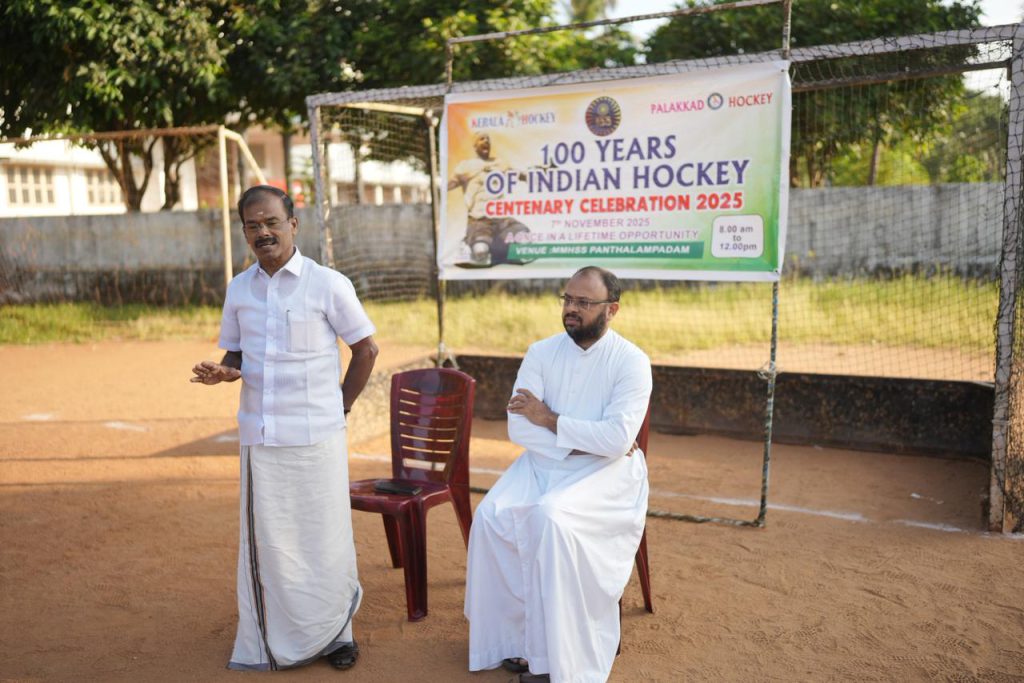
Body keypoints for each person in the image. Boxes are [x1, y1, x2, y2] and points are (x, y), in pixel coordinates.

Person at [191, 185, 378, 672]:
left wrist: (340, 407)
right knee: (271, 544)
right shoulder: (239, 289)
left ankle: (337, 635)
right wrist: (226, 371)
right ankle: (271, 635)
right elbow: (236, 352)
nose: (263, 232)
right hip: (261, 438)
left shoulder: (327, 284)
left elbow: (366, 350)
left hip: (317, 438)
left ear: (293, 224)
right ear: (244, 232)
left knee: (325, 538)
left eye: (272, 222)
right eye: (253, 225)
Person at [464, 266, 652, 683]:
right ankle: (514, 642)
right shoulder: (540, 352)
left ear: (612, 309)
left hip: (606, 475)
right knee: (490, 517)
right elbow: (519, 428)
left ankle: (559, 658)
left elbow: (617, 442)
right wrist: (589, 437)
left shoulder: (632, 362)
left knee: (551, 518)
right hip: (541, 465)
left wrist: (550, 419)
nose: (571, 309)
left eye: (584, 302)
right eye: (568, 299)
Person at [448, 131, 530, 267]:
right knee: (481, 251)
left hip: (502, 219)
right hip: (480, 219)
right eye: (481, 139)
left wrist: (541, 173)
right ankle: (472, 247)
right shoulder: (465, 167)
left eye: (487, 139)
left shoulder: (499, 164)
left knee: (524, 240)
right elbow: (448, 185)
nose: (486, 141)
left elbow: (522, 175)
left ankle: (502, 250)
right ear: (475, 146)